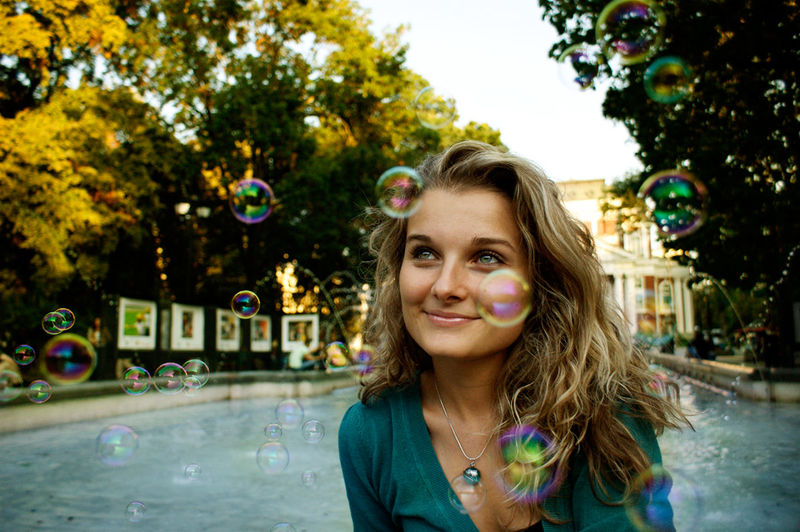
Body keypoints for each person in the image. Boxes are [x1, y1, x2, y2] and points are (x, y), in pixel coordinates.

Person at [338, 141, 691, 531]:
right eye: (424, 253)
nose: (445, 286)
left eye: (487, 258)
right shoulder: (370, 433)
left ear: (540, 284)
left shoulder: (606, 416)